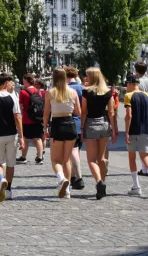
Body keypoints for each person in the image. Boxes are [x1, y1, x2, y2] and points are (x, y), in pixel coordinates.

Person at [43, 67, 81, 199]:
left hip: (57, 124)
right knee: (66, 159)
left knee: (55, 159)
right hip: (70, 124)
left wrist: (45, 128)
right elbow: (78, 112)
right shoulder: (73, 92)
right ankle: (68, 190)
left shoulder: (51, 92)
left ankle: (61, 178)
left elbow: (46, 113)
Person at [0, 74, 23, 201]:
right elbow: (17, 117)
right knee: (11, 163)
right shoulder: (13, 97)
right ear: (7, 82)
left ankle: (1, 179)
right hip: (12, 133)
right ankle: (9, 190)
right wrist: (22, 136)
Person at [81, 67, 117, 200]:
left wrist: (82, 128)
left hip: (91, 123)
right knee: (101, 158)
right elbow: (111, 112)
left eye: (87, 76)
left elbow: (83, 111)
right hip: (104, 124)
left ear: (92, 77)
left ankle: (99, 182)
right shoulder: (108, 92)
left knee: (91, 160)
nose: (85, 78)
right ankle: (103, 181)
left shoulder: (86, 92)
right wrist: (113, 129)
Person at [124, 74, 148, 197]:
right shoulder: (147, 95)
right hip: (145, 130)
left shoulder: (128, 96)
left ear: (129, 84)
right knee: (145, 157)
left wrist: (126, 132)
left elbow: (129, 115)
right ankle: (136, 186)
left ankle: (136, 186)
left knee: (132, 157)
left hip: (133, 130)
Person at [17, 74, 44, 165]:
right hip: (37, 118)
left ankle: (23, 157)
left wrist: (19, 116)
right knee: (37, 138)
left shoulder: (23, 92)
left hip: (26, 118)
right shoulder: (38, 91)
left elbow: (21, 106)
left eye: (24, 80)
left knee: (25, 138)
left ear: (26, 81)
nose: (22, 82)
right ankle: (40, 157)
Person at [65, 66, 85, 190]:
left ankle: (77, 177)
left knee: (70, 152)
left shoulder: (62, 89)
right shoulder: (81, 89)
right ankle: (73, 177)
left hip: (66, 121)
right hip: (78, 123)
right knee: (76, 150)